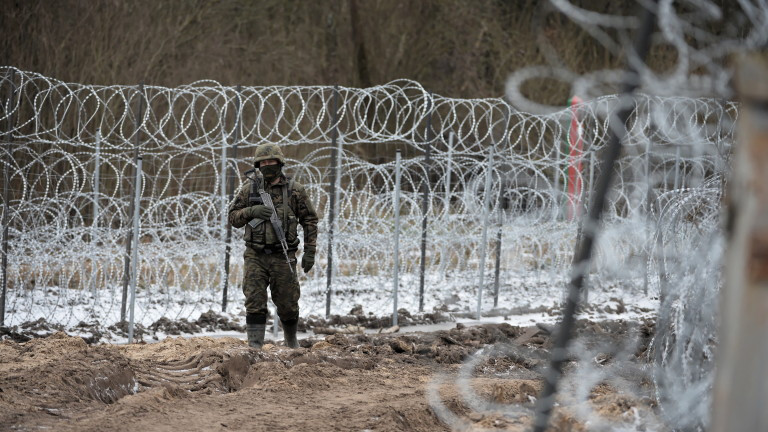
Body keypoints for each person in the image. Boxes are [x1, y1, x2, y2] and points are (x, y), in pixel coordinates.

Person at [228, 143, 318, 349]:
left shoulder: (294, 190)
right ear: (258, 165)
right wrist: (251, 212)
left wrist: (310, 251)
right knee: (254, 301)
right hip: (255, 254)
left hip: (283, 255)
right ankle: (255, 347)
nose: (267, 165)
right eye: (263, 163)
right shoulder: (249, 189)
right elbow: (233, 217)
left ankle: (291, 340)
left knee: (288, 302)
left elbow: (310, 220)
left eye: (271, 162)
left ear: (280, 163)